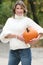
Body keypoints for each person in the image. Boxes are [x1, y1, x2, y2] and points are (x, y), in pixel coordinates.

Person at [0, 0, 43, 65]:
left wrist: (37, 39)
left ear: (24, 9)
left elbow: (40, 30)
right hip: (13, 52)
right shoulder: (10, 20)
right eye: (17, 8)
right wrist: (16, 36)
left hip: (25, 51)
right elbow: (4, 36)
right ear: (14, 9)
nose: (19, 10)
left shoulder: (27, 20)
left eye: (21, 8)